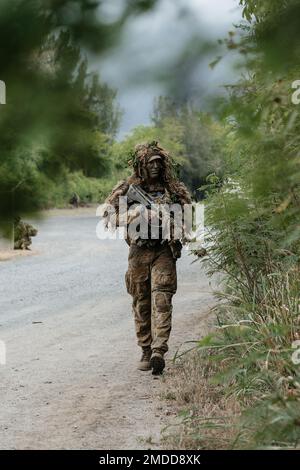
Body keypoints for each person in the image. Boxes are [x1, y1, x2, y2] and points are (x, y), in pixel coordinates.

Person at [102, 141, 192, 375]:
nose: (155, 167)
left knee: (162, 300)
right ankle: (145, 348)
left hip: (163, 250)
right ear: (141, 164)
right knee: (141, 302)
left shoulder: (173, 189)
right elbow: (109, 216)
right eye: (150, 163)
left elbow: (189, 220)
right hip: (139, 251)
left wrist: (175, 225)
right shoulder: (128, 188)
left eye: (158, 163)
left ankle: (158, 351)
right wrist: (137, 213)